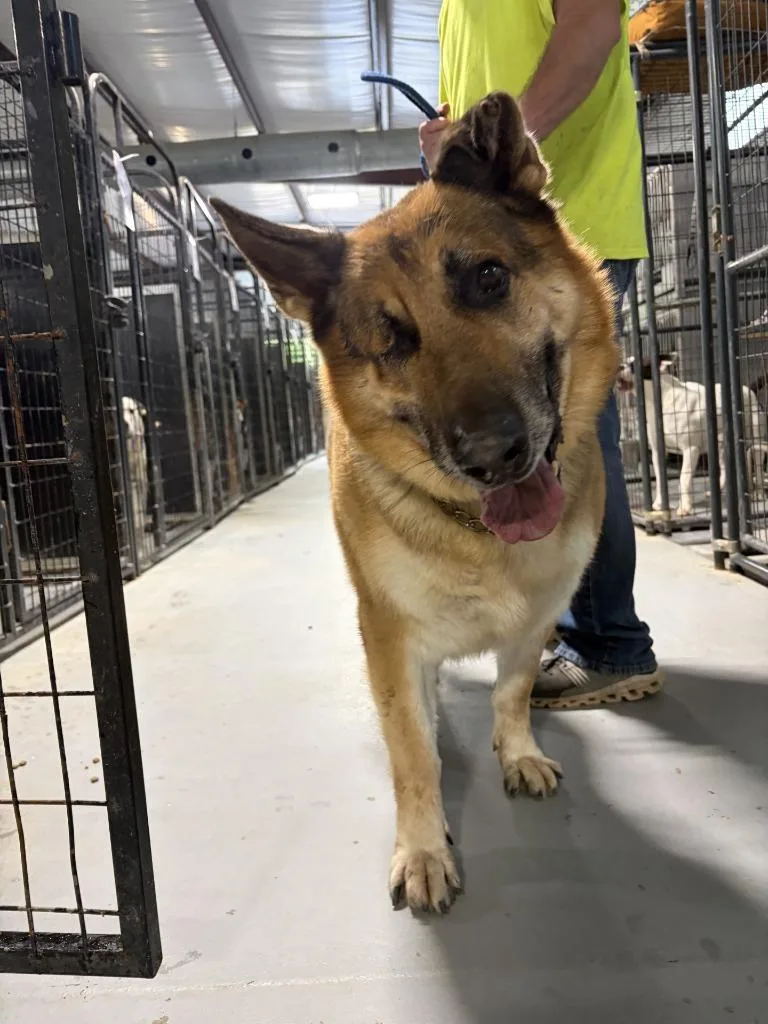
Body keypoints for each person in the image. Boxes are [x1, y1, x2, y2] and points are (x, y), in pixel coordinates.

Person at [419, 0, 662, 709]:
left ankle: (611, 644)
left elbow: (592, 26)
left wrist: (498, 152)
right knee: (543, 432)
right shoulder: (451, 10)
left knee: (573, 436)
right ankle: (561, 625)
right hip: (497, 240)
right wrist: (446, 143)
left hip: (565, 228)